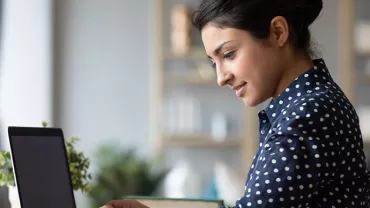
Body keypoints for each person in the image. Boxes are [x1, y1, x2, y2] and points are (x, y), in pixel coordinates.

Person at [101, 0, 370, 207]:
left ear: (277, 32)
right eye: (213, 62)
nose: (221, 77)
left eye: (229, 54)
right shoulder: (305, 104)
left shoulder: (309, 112)